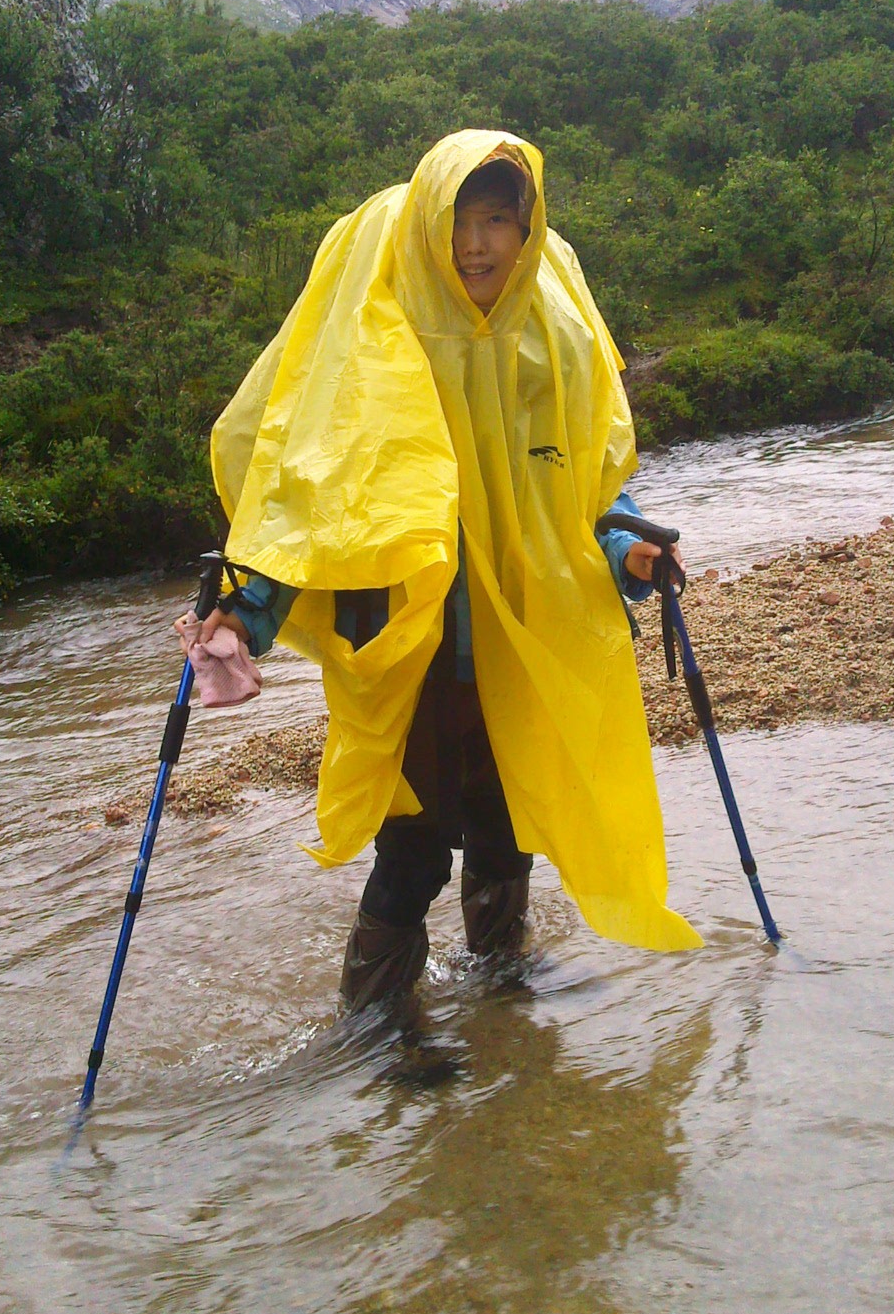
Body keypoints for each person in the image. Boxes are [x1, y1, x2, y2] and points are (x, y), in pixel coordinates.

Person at [182, 130, 702, 1012]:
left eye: (500, 220)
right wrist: (240, 620)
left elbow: (575, 494)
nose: (477, 244)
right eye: (462, 221)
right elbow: (310, 499)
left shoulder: (547, 338)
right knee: (413, 849)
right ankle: (378, 1028)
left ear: (527, 230)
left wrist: (630, 553)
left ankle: (501, 993)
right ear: (432, 227)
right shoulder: (373, 346)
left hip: (516, 646)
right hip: (408, 653)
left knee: (507, 828)